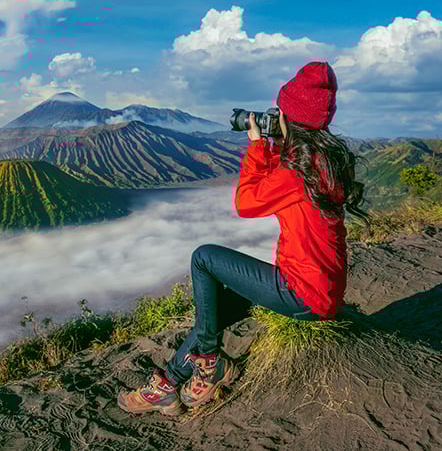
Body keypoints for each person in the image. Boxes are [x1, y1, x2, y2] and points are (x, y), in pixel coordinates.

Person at [117, 61, 372, 416]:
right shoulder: (324, 162)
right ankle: (169, 383)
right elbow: (281, 189)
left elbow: (245, 204)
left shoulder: (296, 174)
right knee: (215, 310)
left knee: (203, 257)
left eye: (280, 113)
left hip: (302, 294)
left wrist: (257, 146)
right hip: (322, 291)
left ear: (290, 117)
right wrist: (279, 147)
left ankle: (209, 362)